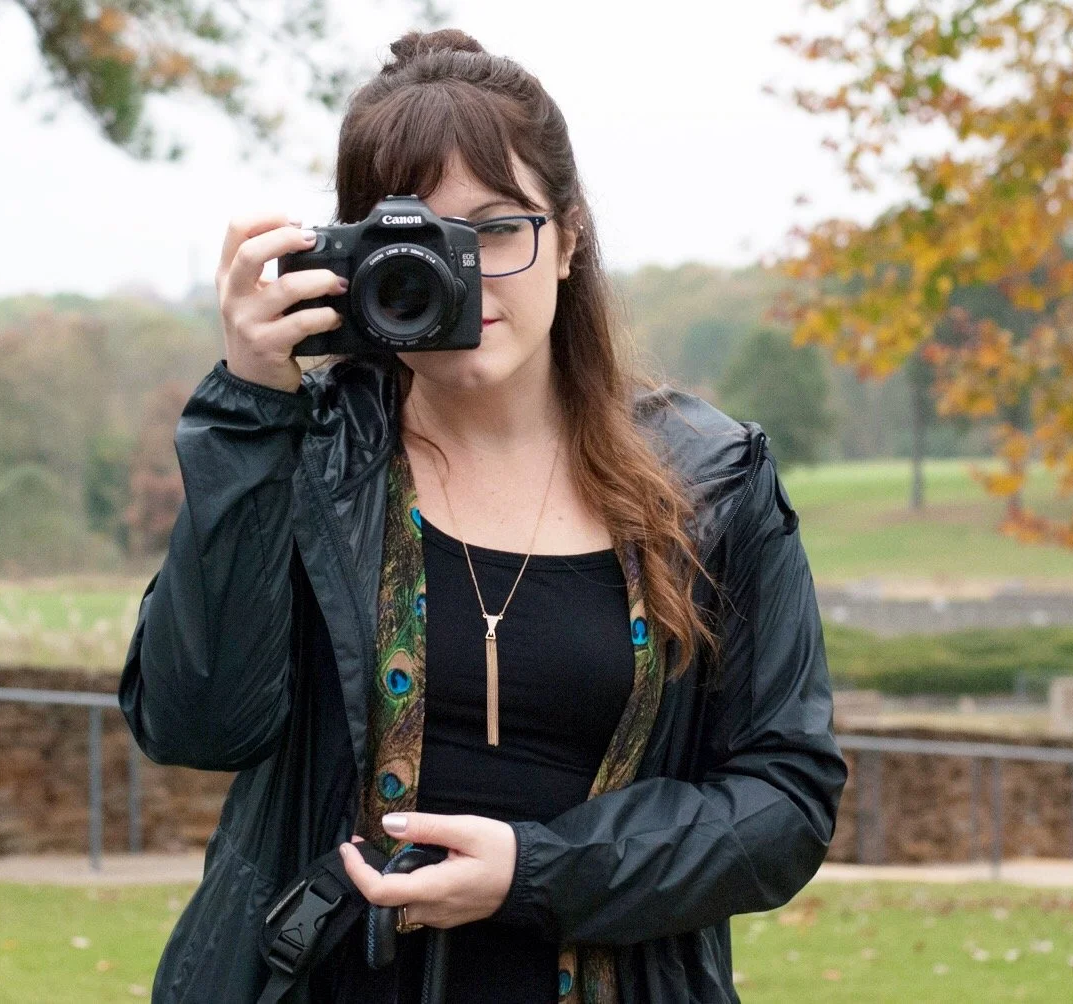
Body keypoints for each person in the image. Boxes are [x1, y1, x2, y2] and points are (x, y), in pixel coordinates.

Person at [116, 26, 846, 1004]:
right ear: (355, 257)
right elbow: (194, 721)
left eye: (498, 229)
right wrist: (251, 406)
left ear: (570, 236)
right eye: (416, 240)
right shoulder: (303, 453)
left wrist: (537, 869)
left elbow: (784, 801)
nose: (463, 275)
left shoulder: (709, 481)